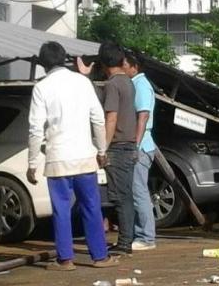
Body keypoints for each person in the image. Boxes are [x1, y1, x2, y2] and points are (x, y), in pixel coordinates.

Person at [27, 42, 118, 270]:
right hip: (85, 156)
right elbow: (97, 118)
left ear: (43, 64)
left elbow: (35, 128)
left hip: (57, 158)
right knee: (91, 207)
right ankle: (100, 257)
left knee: (61, 209)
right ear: (65, 59)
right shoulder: (82, 82)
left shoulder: (41, 88)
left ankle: (65, 259)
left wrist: (32, 163)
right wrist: (101, 150)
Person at [99, 42, 138, 255]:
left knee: (120, 196)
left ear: (104, 63)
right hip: (129, 145)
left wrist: (103, 148)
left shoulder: (112, 85)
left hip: (118, 145)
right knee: (127, 195)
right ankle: (126, 240)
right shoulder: (128, 82)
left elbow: (111, 117)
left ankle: (124, 242)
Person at [124, 53, 158, 250]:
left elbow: (143, 115)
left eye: (125, 64)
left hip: (141, 146)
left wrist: (134, 146)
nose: (123, 67)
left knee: (139, 192)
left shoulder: (141, 85)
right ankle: (141, 234)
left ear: (134, 66)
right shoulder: (136, 84)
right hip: (141, 144)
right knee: (136, 191)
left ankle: (146, 237)